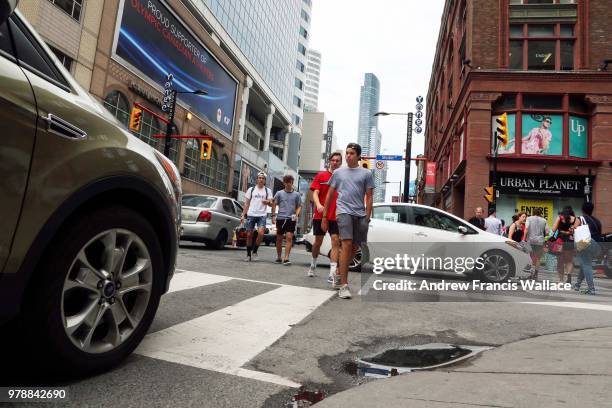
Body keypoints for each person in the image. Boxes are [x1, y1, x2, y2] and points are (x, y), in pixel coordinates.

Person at [322, 143, 374, 299]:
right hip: (343, 212)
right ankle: (344, 285)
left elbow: (370, 197)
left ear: (358, 156)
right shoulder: (338, 173)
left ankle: (339, 272)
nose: (348, 156)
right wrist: (325, 216)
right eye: (347, 153)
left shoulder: (366, 173)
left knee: (355, 246)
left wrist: (367, 216)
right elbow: (330, 195)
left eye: (351, 153)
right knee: (346, 243)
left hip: (360, 214)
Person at [307, 152, 342, 279]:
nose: (335, 162)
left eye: (338, 160)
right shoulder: (321, 175)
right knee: (318, 243)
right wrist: (318, 205)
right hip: (320, 215)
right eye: (333, 160)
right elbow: (315, 193)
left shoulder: (342, 177)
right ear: (329, 161)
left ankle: (332, 273)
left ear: (340, 163)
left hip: (336, 216)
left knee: (335, 241)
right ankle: (313, 265)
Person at [240, 172, 273, 262]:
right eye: (259, 178)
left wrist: (267, 202)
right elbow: (246, 204)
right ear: (257, 179)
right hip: (251, 214)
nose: (261, 179)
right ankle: (248, 254)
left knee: (261, 233)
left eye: (263, 178)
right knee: (249, 234)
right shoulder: (251, 189)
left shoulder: (268, 191)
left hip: (262, 215)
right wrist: (243, 215)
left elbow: (271, 204)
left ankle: (255, 251)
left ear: (265, 180)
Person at [271, 175, 302, 265]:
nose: (289, 184)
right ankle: (279, 257)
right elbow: (274, 204)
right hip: (280, 218)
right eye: (287, 182)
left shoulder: (296, 194)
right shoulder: (279, 193)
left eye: (290, 182)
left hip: (291, 219)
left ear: (292, 183)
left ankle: (286, 258)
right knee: (279, 239)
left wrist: (296, 214)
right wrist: (273, 216)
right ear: (284, 183)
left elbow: (299, 206)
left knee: (289, 237)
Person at [573, 202, 602, 295]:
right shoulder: (597, 221)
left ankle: (591, 289)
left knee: (586, 264)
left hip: (585, 243)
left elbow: (574, 230)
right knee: (585, 263)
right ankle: (577, 284)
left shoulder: (580, 218)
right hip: (596, 245)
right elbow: (599, 235)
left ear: (582, 209)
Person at [552, 206, 579, 284]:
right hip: (569, 241)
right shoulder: (576, 219)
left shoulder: (560, 218)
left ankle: (561, 280)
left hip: (560, 241)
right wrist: (569, 232)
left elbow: (553, 229)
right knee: (569, 261)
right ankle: (569, 276)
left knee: (560, 261)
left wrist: (562, 231)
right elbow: (575, 231)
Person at [524, 207, 550, 279]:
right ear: (541, 213)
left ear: (533, 212)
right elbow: (547, 233)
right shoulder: (544, 220)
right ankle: (535, 274)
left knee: (530, 258)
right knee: (538, 258)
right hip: (540, 242)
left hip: (530, 241)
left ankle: (530, 273)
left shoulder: (529, 219)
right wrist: (545, 241)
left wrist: (524, 239)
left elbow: (526, 229)